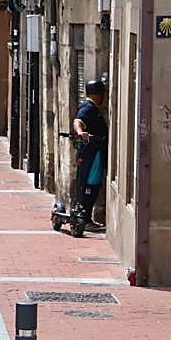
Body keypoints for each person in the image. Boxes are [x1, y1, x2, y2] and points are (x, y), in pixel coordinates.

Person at [72, 77, 109, 231]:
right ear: (97, 95)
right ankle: (85, 220)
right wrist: (81, 133)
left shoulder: (92, 108)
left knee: (92, 185)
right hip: (91, 154)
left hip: (95, 153)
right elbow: (78, 121)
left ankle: (86, 218)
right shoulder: (88, 107)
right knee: (89, 185)